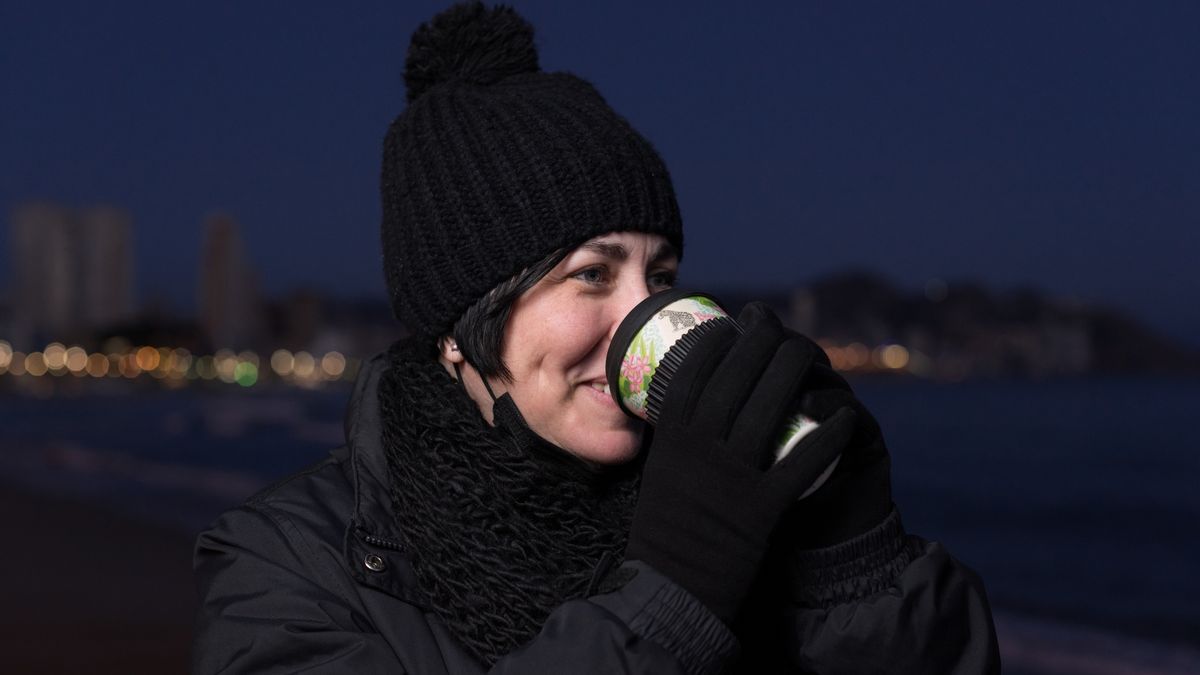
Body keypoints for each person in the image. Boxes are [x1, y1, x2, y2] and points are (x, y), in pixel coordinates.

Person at [191, 3, 1001, 673]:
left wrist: (854, 557)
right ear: (458, 330)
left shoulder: (743, 498)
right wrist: (678, 584)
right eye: (591, 274)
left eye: (662, 275)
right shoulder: (284, 562)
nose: (639, 316)